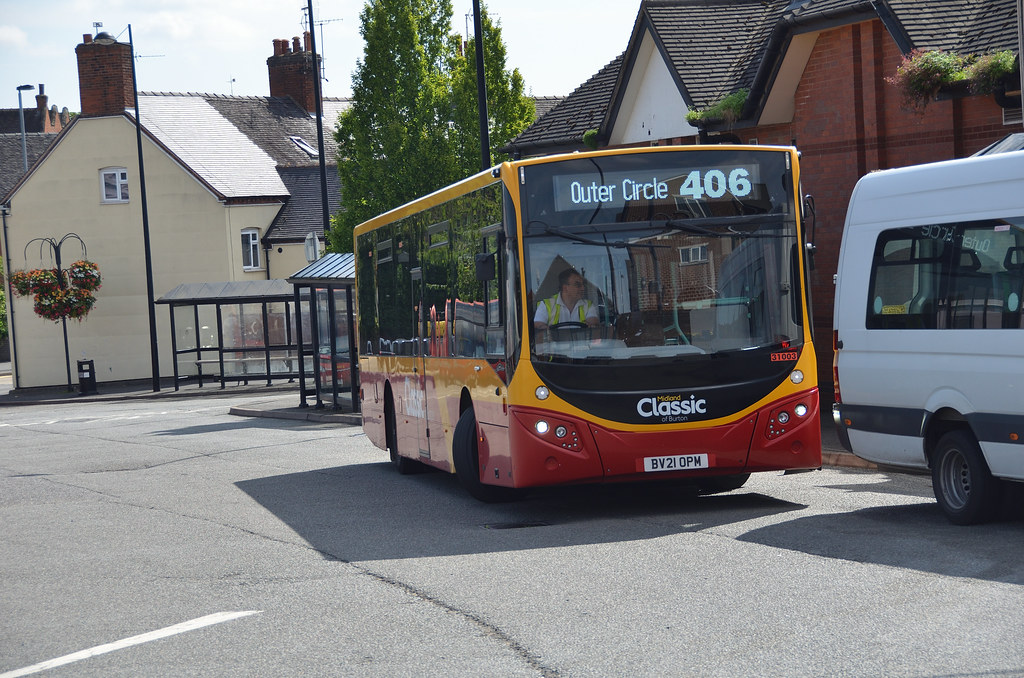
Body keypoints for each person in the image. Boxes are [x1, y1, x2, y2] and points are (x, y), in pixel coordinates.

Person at [534, 268, 599, 330]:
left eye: (583, 285)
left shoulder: (588, 305)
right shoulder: (546, 305)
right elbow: (538, 326)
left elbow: (593, 323)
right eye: (578, 285)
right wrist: (544, 328)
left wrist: (592, 324)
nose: (583, 288)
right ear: (565, 288)